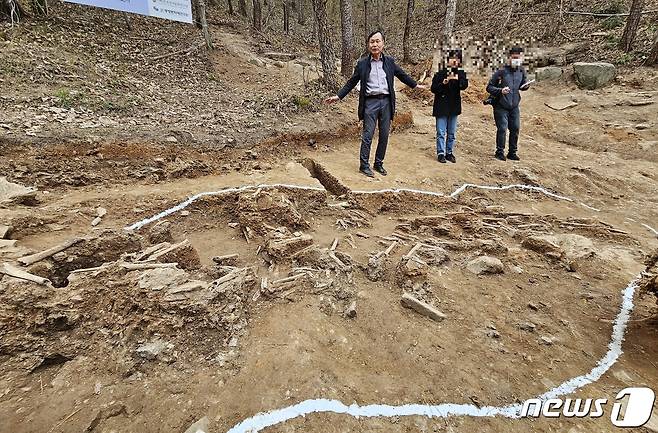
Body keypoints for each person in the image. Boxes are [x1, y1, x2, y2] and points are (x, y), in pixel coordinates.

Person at [325, 30, 426, 177]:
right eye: (372, 41)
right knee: (368, 134)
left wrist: (415, 85)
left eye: (377, 41)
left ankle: (379, 163)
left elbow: (402, 75)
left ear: (383, 43)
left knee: (384, 134)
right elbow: (351, 82)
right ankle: (364, 165)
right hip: (370, 102)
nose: (375, 44)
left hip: (386, 101)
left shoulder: (389, 62)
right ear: (368, 45)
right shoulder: (362, 64)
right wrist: (338, 96)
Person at [486, 46, 532, 161]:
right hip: (501, 105)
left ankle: (512, 152)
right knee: (502, 128)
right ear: (509, 58)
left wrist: (526, 86)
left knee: (515, 128)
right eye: (514, 57)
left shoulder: (521, 71)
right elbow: (489, 87)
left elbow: (523, 85)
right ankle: (499, 152)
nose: (516, 60)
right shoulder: (501, 71)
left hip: (514, 105)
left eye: (518, 58)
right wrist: (500, 90)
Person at [431, 49, 468, 164]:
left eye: (457, 60)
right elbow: (433, 89)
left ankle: (449, 152)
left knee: (452, 132)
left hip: (454, 106)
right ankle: (441, 153)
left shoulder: (461, 73)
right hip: (441, 106)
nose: (454, 62)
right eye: (452, 59)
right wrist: (443, 83)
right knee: (441, 132)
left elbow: (464, 86)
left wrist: (458, 80)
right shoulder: (440, 73)